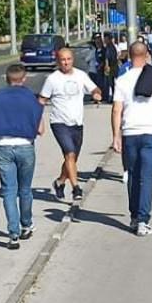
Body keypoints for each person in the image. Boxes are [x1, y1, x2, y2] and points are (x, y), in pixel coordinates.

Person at [111, 42, 152, 237]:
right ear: (147, 54)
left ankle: (133, 217)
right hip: (151, 132)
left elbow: (117, 110)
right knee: (147, 176)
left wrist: (116, 136)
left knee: (132, 175)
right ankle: (143, 221)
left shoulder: (122, 80)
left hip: (129, 133)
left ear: (129, 56)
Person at [0, 64, 46, 250]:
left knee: (9, 191)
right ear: (24, 79)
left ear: (6, 78)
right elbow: (41, 129)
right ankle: (26, 225)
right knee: (25, 189)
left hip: (3, 147)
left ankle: (13, 235)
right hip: (26, 147)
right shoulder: (31, 99)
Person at [39, 48, 102, 202]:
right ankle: (76, 188)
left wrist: (96, 93)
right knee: (70, 154)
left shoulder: (81, 75)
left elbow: (94, 88)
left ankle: (60, 182)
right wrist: (38, 121)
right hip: (59, 122)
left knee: (72, 158)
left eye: (68, 59)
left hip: (77, 123)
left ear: (72, 59)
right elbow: (41, 100)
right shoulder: (52, 79)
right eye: (62, 60)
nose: (66, 62)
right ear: (58, 61)